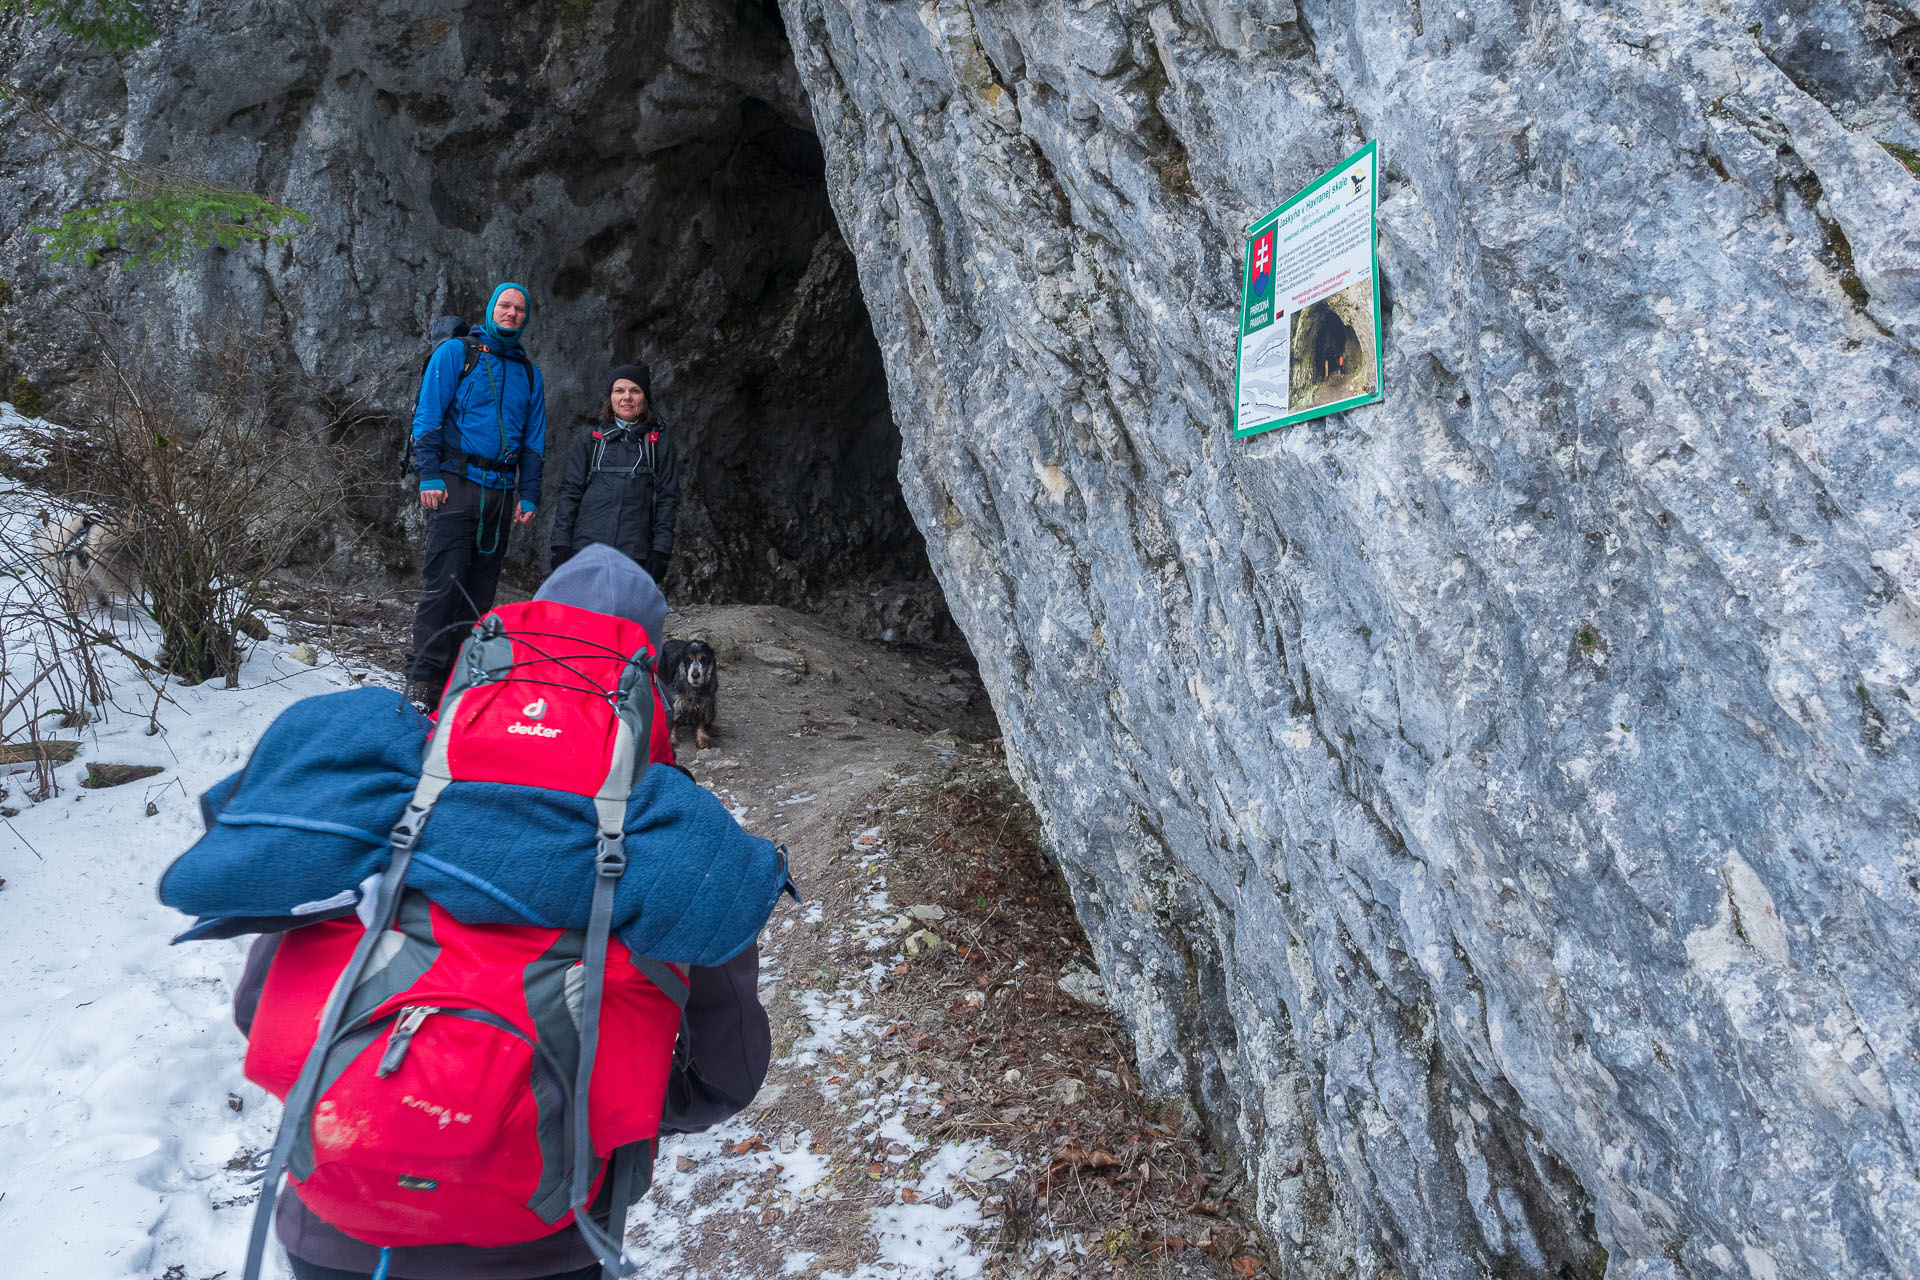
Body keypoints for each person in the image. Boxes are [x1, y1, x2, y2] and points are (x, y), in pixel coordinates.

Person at [223, 547, 773, 1280]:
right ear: (647, 673)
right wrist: (589, 1100)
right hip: (544, 1237)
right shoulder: (680, 838)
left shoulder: (392, 785)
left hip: (334, 1221)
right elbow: (723, 1076)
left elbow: (259, 1004)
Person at [404, 282, 547, 709]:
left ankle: (458, 684)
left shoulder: (529, 374)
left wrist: (530, 494)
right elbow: (428, 413)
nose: (511, 314)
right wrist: (429, 474)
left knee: (481, 593)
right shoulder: (456, 354)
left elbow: (534, 441)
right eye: (504, 306)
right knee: (444, 584)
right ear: (491, 309)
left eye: (519, 309)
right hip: (455, 483)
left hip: (501, 494)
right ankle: (421, 682)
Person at [548, 363, 679, 586]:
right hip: (586, 550)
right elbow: (570, 492)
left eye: (635, 391)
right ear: (610, 397)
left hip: (634, 554)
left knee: (622, 619)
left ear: (645, 398)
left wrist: (660, 551)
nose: (626, 397)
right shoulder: (591, 439)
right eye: (619, 390)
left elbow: (668, 500)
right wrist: (561, 545)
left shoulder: (658, 444)